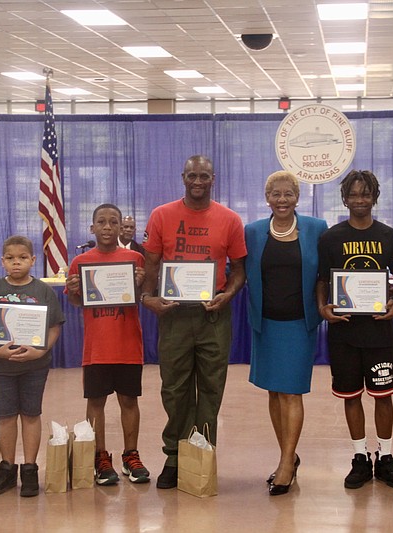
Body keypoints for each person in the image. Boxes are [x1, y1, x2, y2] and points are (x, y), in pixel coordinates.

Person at [141, 154, 247, 489]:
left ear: (213, 178)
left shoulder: (229, 219)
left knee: (211, 389)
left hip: (212, 313)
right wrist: (148, 298)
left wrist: (227, 296)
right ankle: (174, 455)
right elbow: (152, 264)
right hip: (174, 314)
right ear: (182, 177)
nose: (197, 181)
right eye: (191, 176)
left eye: (204, 176)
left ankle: (201, 453)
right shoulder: (162, 215)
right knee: (174, 388)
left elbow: (239, 273)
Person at [316, 169, 393, 491]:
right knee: (350, 396)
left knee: (383, 397)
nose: (359, 200)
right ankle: (359, 458)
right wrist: (322, 307)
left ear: (375, 198)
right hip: (345, 332)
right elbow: (323, 281)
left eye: (365, 194)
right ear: (344, 198)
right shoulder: (330, 238)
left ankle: (386, 457)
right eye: (353, 194)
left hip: (379, 332)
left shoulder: (391, 237)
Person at [244, 171, 327, 496]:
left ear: (297, 197)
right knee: (274, 393)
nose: (281, 200)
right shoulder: (252, 232)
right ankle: (288, 458)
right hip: (266, 325)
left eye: (288, 194)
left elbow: (326, 271)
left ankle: (285, 464)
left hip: (298, 325)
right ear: (268, 198)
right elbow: (235, 267)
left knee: (292, 392)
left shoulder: (316, 229)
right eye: (275, 194)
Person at [0, 235, 65, 497]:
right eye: (10, 258)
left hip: (35, 366)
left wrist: (40, 351)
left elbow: (54, 326)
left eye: (22, 258)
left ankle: (30, 469)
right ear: (2, 262)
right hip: (2, 367)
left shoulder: (43, 291)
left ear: (33, 260)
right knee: (6, 416)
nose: (16, 263)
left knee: (31, 414)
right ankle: (7, 468)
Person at [65, 204, 150, 485]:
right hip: (97, 347)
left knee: (129, 400)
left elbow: (141, 297)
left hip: (128, 344)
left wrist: (139, 285)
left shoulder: (136, 259)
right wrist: (76, 291)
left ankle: (130, 455)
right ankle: (100, 457)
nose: (107, 227)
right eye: (101, 222)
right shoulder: (80, 263)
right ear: (92, 228)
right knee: (96, 402)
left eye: (113, 222)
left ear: (121, 227)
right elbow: (76, 301)